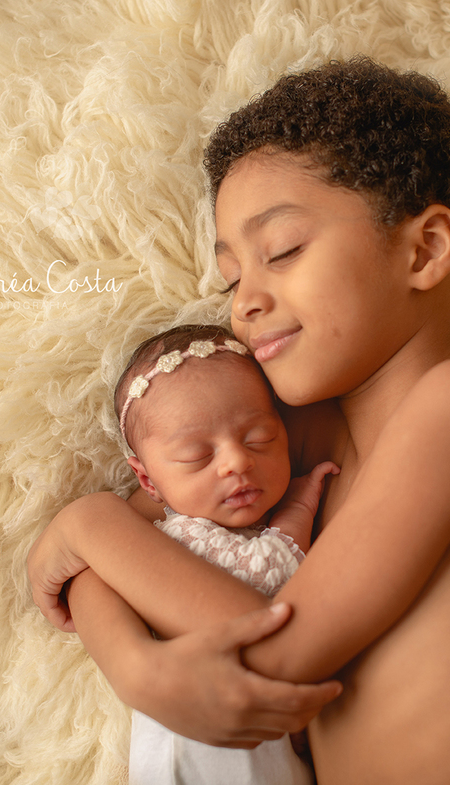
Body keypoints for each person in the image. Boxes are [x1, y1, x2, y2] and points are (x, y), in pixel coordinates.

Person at [28, 57, 450, 784]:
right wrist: (124, 638)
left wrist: (85, 535)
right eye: (233, 277)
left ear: (425, 250)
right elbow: (149, 531)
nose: (243, 303)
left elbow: (270, 654)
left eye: (283, 251)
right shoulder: (279, 442)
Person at [107, 322, 337, 784]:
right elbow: (266, 580)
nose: (236, 461)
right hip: (197, 748)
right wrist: (297, 510)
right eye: (196, 456)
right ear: (148, 481)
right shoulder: (171, 539)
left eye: (259, 438)